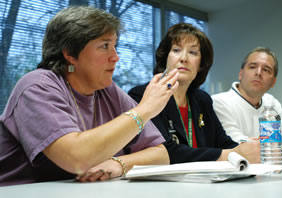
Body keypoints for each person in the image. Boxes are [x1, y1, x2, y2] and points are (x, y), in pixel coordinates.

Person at [0, 6, 180, 186]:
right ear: (70, 53)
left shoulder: (107, 90)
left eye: (114, 46)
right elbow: (76, 159)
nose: (115, 57)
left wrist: (119, 163)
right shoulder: (38, 86)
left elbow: (161, 154)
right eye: (104, 46)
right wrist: (145, 109)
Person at [129, 23, 260, 164]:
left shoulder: (202, 99)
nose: (184, 58)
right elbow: (165, 152)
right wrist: (227, 154)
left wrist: (245, 149)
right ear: (165, 57)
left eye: (193, 52)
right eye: (177, 50)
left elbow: (223, 143)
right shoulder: (143, 95)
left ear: (201, 64)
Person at [212, 47, 282, 159]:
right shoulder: (219, 102)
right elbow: (237, 145)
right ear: (240, 74)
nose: (258, 73)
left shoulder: (271, 102)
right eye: (252, 67)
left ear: (273, 82)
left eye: (266, 70)